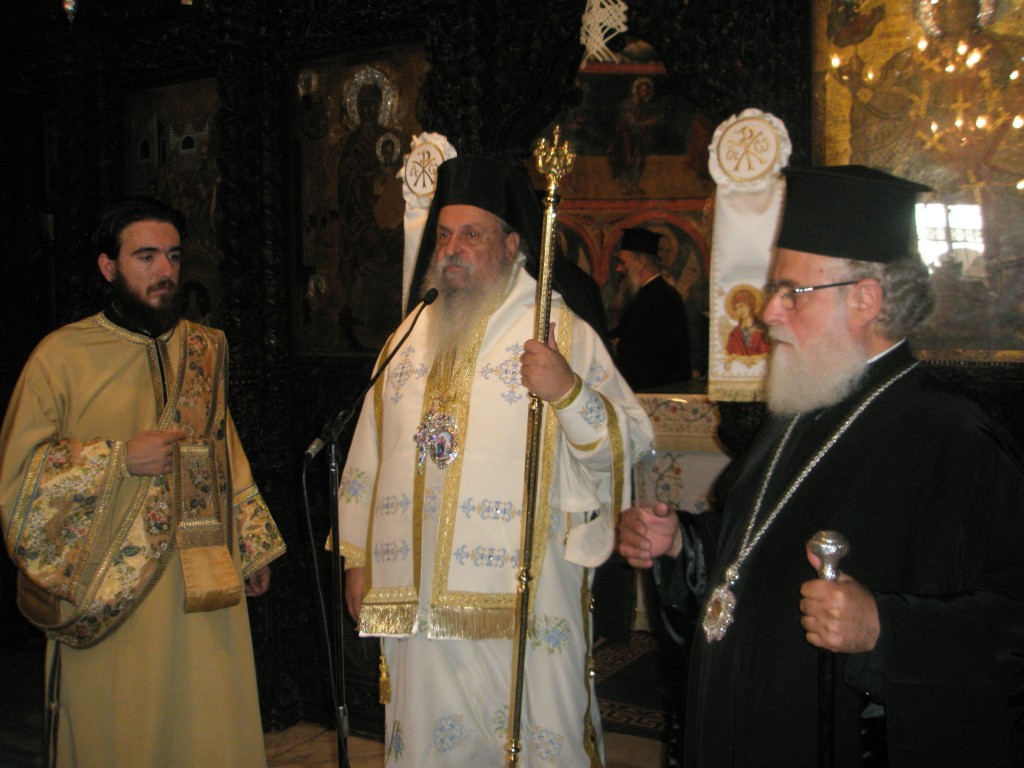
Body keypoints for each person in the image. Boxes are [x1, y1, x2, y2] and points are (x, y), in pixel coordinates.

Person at [616, 165, 1024, 767]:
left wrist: (884, 628)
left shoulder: (955, 438)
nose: (768, 313)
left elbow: (1012, 626)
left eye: (792, 292)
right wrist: (682, 543)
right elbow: (751, 552)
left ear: (865, 300)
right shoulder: (798, 409)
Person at [335, 156, 653, 766]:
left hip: (523, 597)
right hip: (415, 600)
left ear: (511, 245)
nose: (452, 249)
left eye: (471, 235)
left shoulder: (558, 331)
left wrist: (567, 392)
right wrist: (358, 560)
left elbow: (628, 444)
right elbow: (367, 458)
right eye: (444, 235)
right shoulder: (405, 338)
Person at [0, 197, 287, 767]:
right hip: (107, 592)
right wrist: (118, 459)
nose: (165, 271)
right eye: (146, 257)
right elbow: (19, 478)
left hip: (201, 579)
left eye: (173, 257)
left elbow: (224, 445)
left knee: (207, 725)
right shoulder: (60, 357)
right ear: (108, 267)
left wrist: (250, 544)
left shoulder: (203, 349)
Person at [611, 227, 692, 390]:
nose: (618, 269)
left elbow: (659, 354)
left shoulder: (663, 297)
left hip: (658, 391)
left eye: (622, 263)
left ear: (640, 263)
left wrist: (620, 345)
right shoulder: (645, 295)